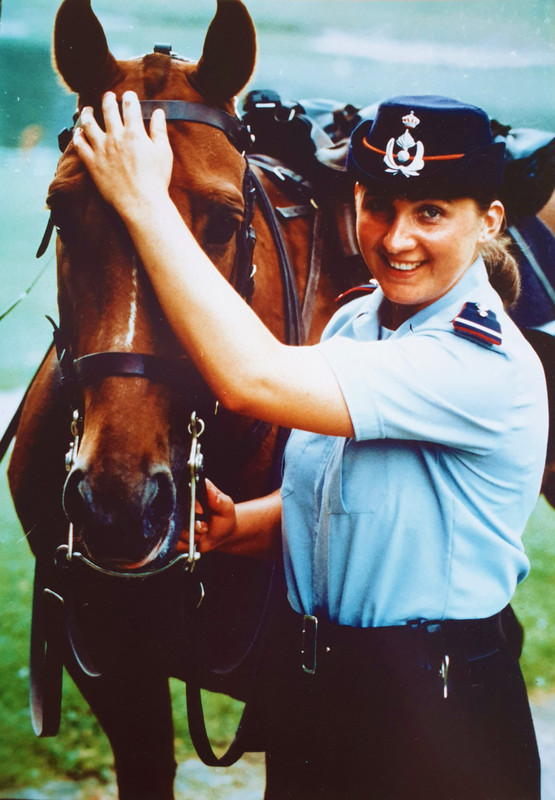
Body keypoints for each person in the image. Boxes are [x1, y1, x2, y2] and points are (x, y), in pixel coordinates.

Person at [74, 93, 547, 799]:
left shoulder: (476, 360)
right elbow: (354, 497)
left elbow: (248, 379)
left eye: (431, 212)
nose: (395, 239)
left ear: (488, 222)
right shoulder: (357, 323)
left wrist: (145, 204)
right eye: (378, 205)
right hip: (315, 689)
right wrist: (247, 525)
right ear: (351, 199)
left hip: (433, 708)